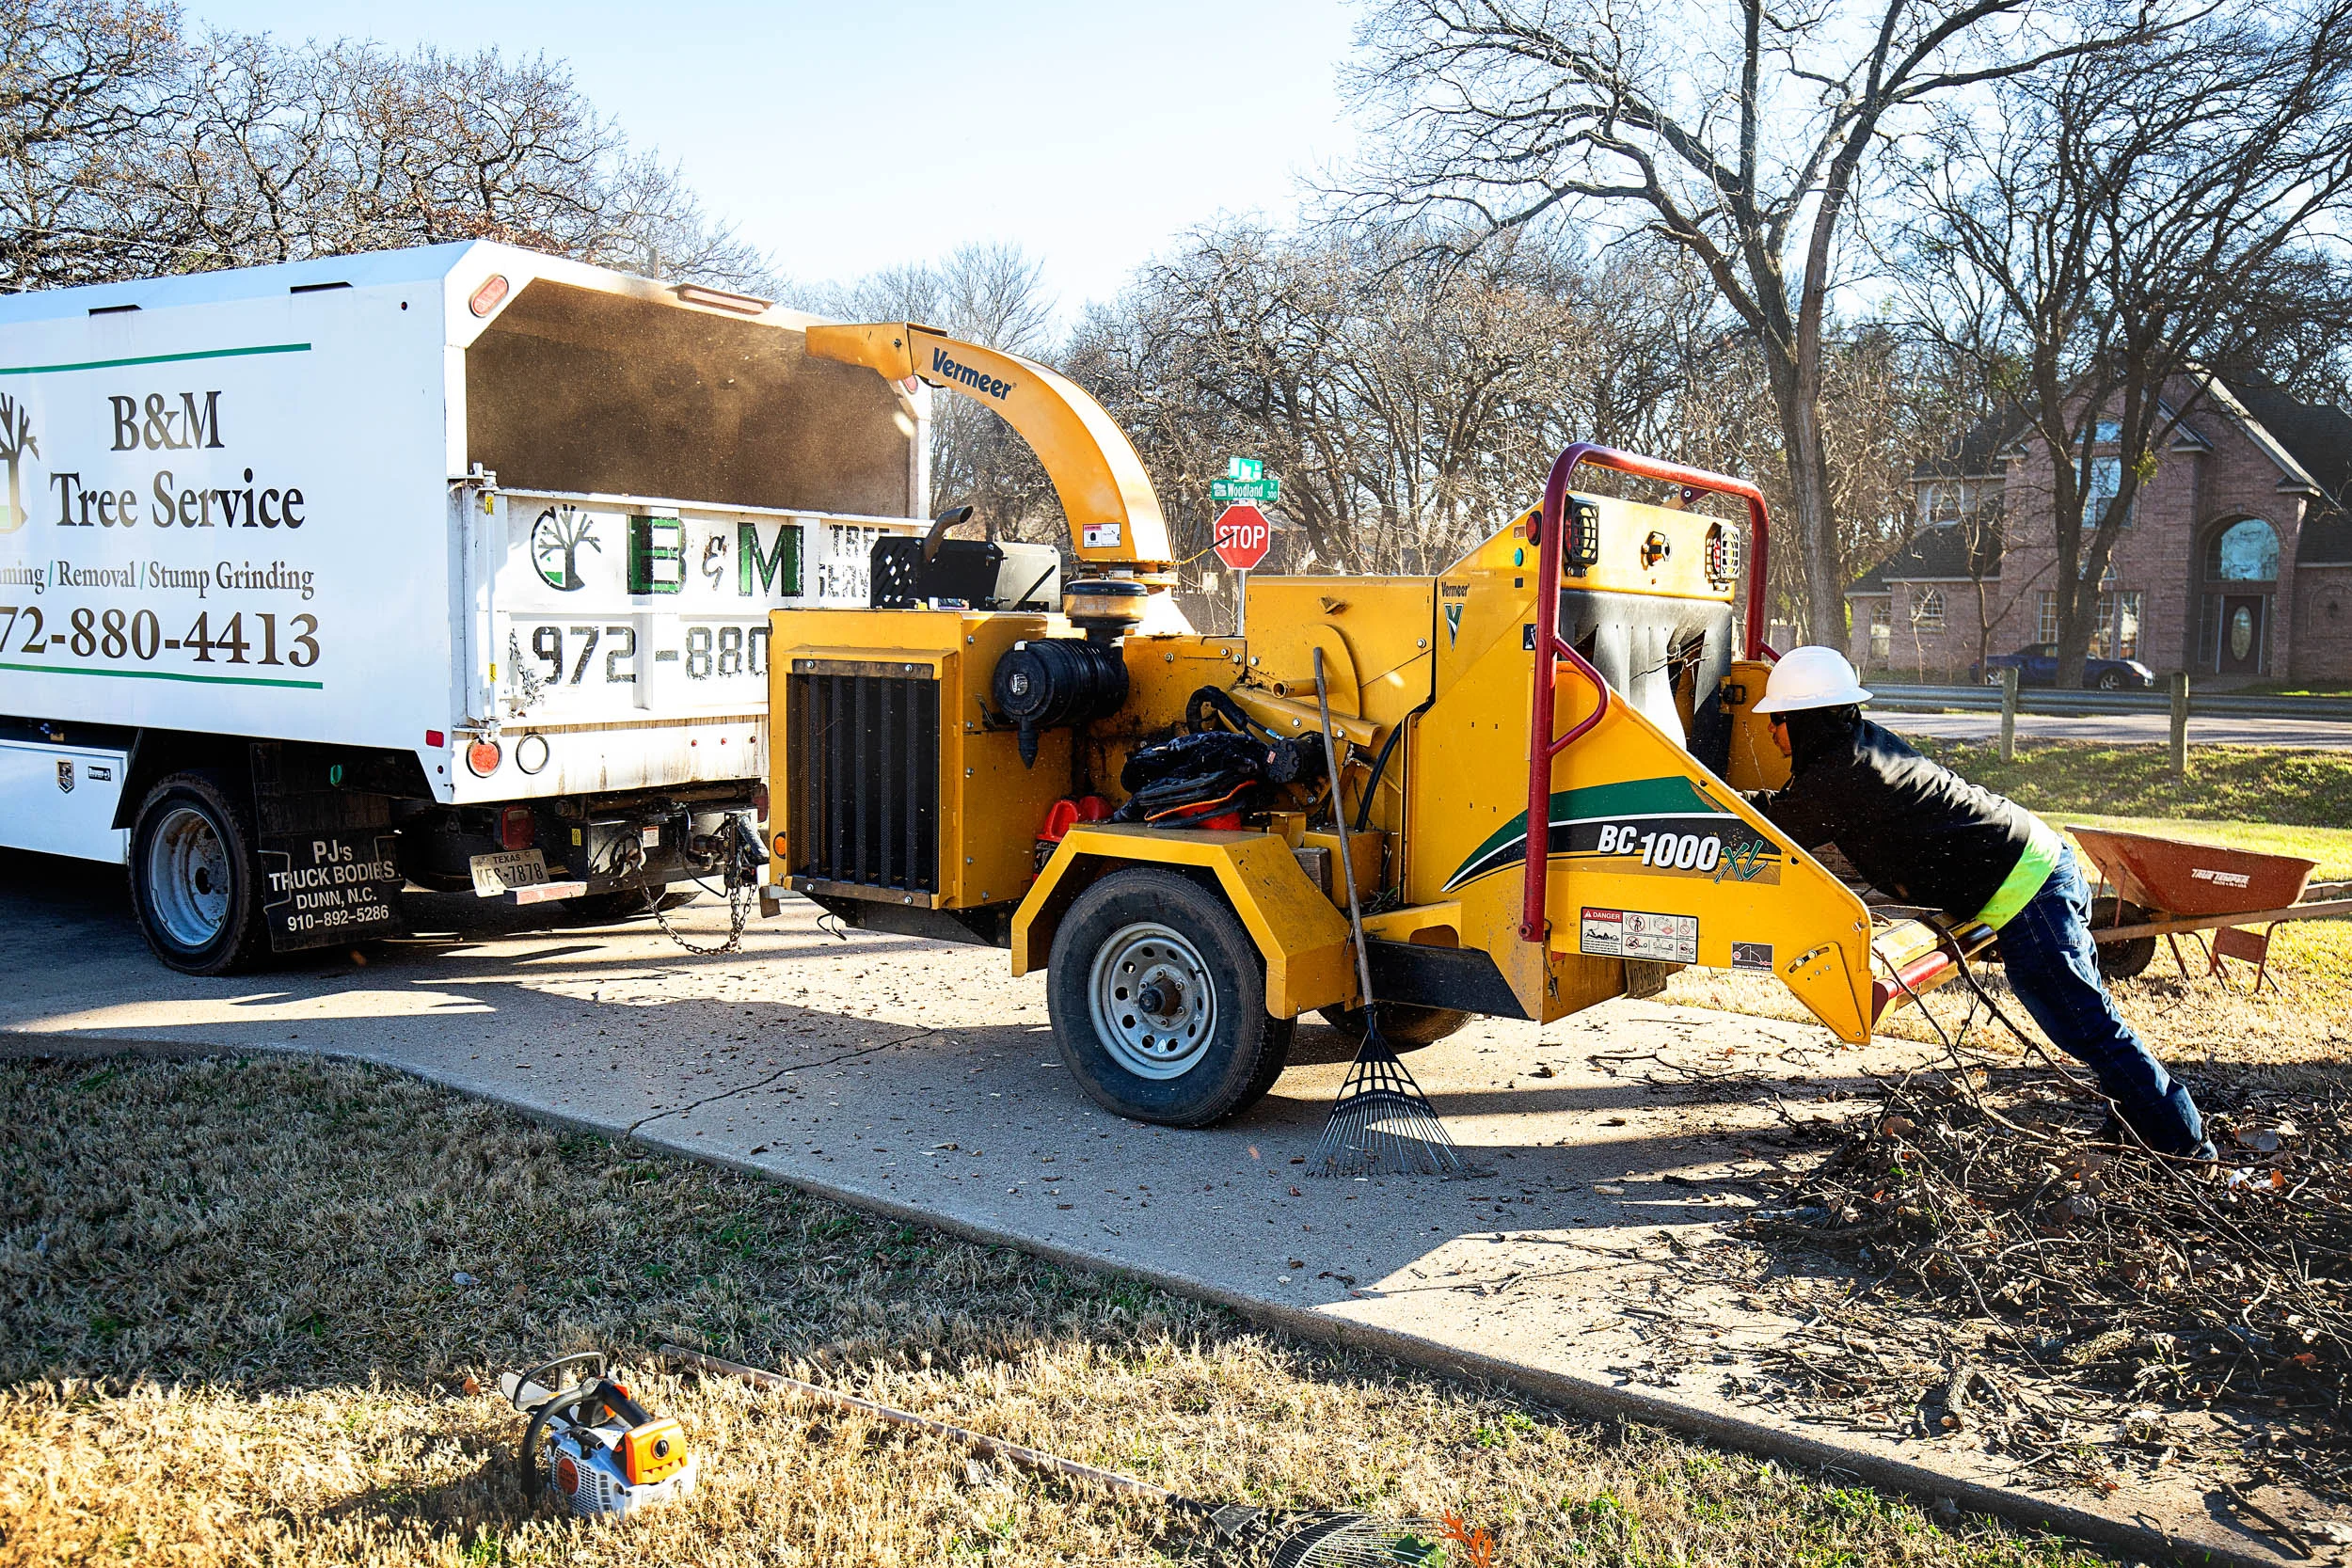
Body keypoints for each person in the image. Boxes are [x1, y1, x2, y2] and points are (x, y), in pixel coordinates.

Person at [1743, 646, 2210, 1158]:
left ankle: (2186, 1144)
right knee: (2089, 1021)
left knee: (2085, 1026)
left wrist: (1701, 797)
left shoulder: (1842, 775)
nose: (1771, 732)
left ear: (1806, 720)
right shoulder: (1859, 747)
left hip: (2029, 888)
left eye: (1777, 719)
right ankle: (2135, 1128)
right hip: (2039, 862)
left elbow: (1770, 830)